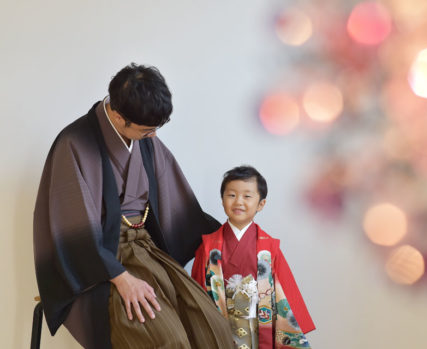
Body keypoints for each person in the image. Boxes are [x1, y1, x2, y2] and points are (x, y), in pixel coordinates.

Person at [33, 63, 233, 349]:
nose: (153, 136)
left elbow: (175, 198)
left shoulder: (145, 138)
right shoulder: (75, 143)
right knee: (167, 340)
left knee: (212, 326)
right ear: (117, 115)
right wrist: (121, 279)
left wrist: (221, 237)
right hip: (99, 261)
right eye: (146, 130)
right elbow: (72, 229)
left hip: (146, 249)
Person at [191, 165, 315, 349]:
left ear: (261, 204)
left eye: (247, 196)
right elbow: (196, 294)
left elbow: (285, 292)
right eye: (231, 195)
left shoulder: (269, 247)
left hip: (260, 324)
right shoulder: (208, 246)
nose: (238, 202)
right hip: (220, 326)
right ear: (222, 199)